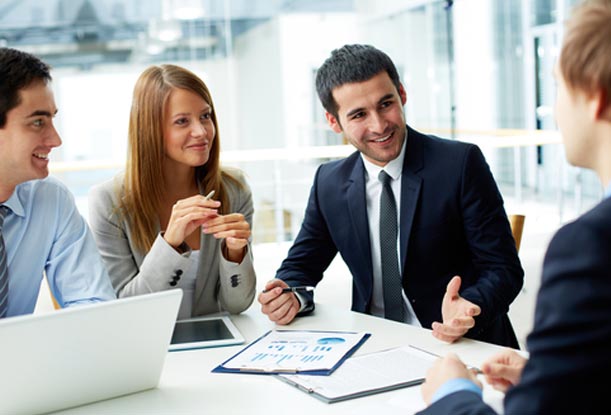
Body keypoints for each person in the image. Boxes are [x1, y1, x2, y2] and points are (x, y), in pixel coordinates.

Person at [258, 44, 523, 348]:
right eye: (359, 114)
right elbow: (300, 268)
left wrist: (470, 306)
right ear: (334, 122)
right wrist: (289, 295)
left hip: (460, 342)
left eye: (386, 104)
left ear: (402, 94)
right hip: (373, 344)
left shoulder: (460, 165)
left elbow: (503, 269)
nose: (379, 125)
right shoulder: (328, 183)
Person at [418, 1, 611, 413]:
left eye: (558, 86)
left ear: (596, 96)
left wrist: (452, 394)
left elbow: (502, 269)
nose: (555, 110)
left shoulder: (591, 246)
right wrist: (552, 376)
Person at [88, 64, 256, 319]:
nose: (201, 132)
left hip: (215, 347)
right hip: (146, 348)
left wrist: (235, 253)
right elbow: (125, 310)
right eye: (182, 121)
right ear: (150, 129)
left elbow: (238, 304)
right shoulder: (110, 202)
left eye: (205, 116)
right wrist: (169, 244)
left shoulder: (234, 190)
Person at [0, 47, 115, 318]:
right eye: (38, 122)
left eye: (52, 119)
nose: (55, 140)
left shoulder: (50, 200)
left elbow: (93, 304)